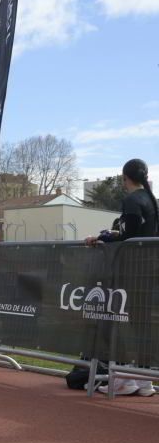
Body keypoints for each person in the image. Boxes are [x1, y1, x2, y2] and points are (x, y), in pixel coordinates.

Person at [85, 159, 157, 397]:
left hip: (133, 269)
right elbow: (136, 232)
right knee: (142, 323)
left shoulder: (132, 200)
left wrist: (103, 238)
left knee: (125, 321)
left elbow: (128, 236)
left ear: (125, 177)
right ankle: (144, 379)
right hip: (149, 268)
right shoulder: (152, 200)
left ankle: (127, 377)